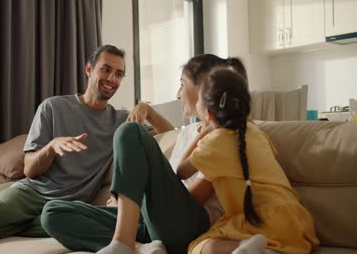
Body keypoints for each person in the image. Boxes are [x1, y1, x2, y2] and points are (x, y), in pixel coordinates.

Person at [40, 55, 248, 254]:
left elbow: (192, 198)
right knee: (52, 213)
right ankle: (141, 248)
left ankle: (123, 243)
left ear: (203, 86)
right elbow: (168, 137)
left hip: (187, 225)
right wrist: (128, 203)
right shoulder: (189, 132)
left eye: (182, 84)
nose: (178, 94)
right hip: (152, 223)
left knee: (129, 131)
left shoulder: (223, 136)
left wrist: (142, 198)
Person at [0, 44, 129, 254]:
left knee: (50, 222)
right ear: (89, 69)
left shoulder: (122, 121)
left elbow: (170, 133)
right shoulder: (52, 107)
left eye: (119, 74)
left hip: (68, 208)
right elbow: (30, 170)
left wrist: (147, 110)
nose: (111, 79)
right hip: (31, 194)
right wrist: (51, 147)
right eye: (106, 69)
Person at [181, 67, 319, 254]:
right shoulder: (255, 132)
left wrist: (204, 131)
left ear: (209, 113)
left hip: (256, 220)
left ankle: (245, 249)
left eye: (199, 99)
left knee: (197, 248)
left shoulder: (214, 142)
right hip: (293, 219)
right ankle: (265, 251)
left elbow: (180, 171)